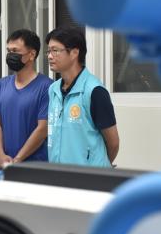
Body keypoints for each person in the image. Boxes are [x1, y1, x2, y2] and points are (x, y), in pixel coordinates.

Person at [46, 27, 119, 167]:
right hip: (58, 173)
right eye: (48, 51)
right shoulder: (53, 89)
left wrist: (99, 167)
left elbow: (113, 143)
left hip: (88, 176)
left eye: (55, 50)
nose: (49, 56)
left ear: (74, 53)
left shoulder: (94, 91)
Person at [0, 29, 52, 168]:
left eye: (15, 51)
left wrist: (18, 160)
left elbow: (43, 128)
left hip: (36, 167)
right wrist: (0, 156)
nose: (10, 55)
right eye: (8, 51)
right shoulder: (2, 85)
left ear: (32, 54)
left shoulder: (47, 87)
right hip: (6, 165)